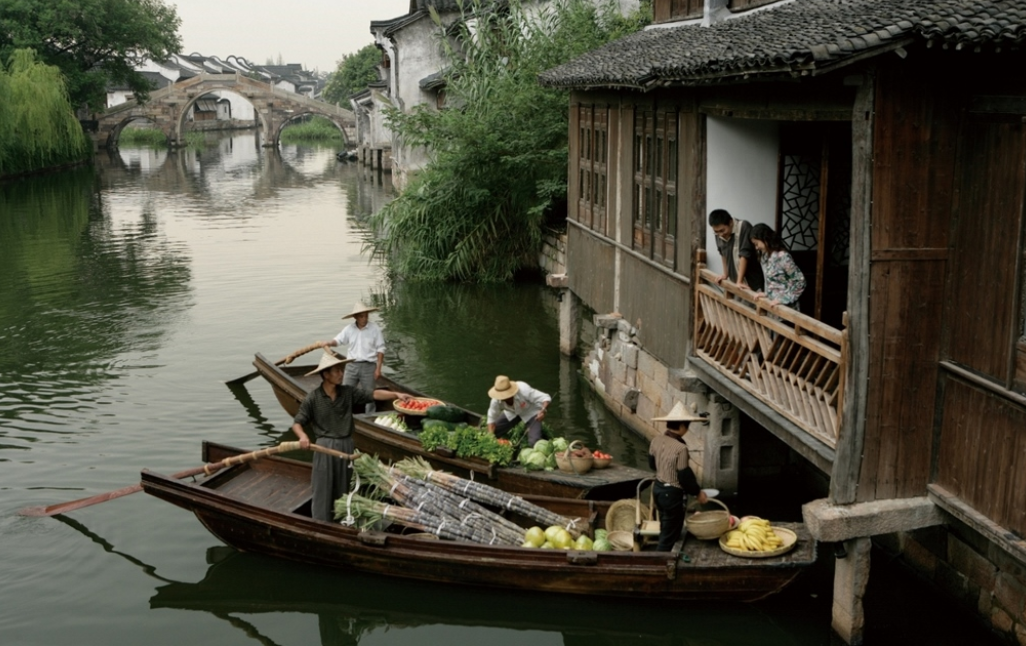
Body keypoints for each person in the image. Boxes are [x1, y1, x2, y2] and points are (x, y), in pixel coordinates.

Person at [291, 350, 411, 522]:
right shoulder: (313, 398)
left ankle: (340, 521)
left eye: (341, 370)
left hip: (346, 446)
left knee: (342, 486)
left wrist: (396, 394)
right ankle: (320, 523)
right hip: (324, 447)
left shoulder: (347, 392)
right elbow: (297, 423)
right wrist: (303, 437)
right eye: (337, 371)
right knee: (323, 487)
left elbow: (373, 394)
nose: (342, 374)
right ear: (326, 374)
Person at [648, 401, 708, 552]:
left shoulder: (656, 440)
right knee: (668, 538)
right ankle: (659, 566)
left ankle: (665, 559)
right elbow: (684, 475)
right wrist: (698, 492)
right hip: (672, 495)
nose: (686, 429)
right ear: (681, 426)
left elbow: (652, 464)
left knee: (666, 528)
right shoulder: (681, 448)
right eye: (686, 425)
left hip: (658, 490)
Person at [317, 301, 387, 414]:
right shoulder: (349, 329)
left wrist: (378, 369)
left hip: (368, 366)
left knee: (369, 395)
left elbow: (381, 349)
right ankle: (343, 414)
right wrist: (328, 343)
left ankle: (370, 417)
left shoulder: (375, 329)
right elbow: (338, 340)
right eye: (361, 316)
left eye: (366, 315)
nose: (364, 318)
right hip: (351, 365)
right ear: (355, 317)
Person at [750, 223, 806, 312]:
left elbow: (800, 281)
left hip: (787, 309)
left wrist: (783, 299)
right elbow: (773, 282)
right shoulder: (765, 257)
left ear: (765, 239)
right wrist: (767, 294)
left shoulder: (783, 257)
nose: (756, 248)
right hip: (772, 308)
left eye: (757, 244)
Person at [486, 375, 551, 447]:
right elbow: (491, 418)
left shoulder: (523, 390)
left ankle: (536, 435)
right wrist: (490, 438)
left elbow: (546, 398)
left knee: (534, 442)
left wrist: (543, 411)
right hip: (511, 413)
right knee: (493, 432)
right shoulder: (496, 400)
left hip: (530, 412)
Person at [709, 208, 764, 293]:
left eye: (722, 230)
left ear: (730, 222)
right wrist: (725, 274)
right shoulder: (718, 233)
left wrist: (739, 281)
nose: (720, 234)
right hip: (734, 282)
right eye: (716, 232)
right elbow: (722, 253)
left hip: (750, 283)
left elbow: (745, 255)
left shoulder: (743, 226)